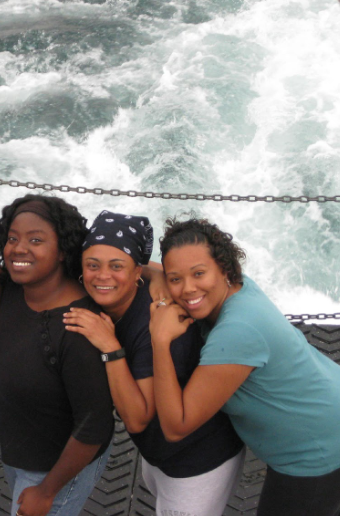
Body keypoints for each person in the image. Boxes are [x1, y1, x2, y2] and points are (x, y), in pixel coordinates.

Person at [150, 216, 340, 516]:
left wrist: (159, 340)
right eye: (175, 279)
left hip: (317, 448)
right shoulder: (239, 286)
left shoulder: (238, 331)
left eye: (199, 273)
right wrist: (148, 271)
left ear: (224, 268)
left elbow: (176, 425)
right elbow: (173, 271)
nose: (187, 289)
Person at [62, 211, 244, 516]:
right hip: (157, 454)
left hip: (196, 461)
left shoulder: (158, 325)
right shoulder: (112, 292)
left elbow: (137, 418)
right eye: (92, 265)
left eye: (116, 266)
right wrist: (153, 272)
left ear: (136, 272)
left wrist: (110, 346)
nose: (102, 276)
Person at [0, 194, 115, 516]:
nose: (19, 249)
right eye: (12, 238)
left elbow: (94, 424)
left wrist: (46, 491)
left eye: (36, 240)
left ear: (63, 251)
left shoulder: (77, 327)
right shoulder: (14, 288)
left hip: (57, 471)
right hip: (19, 457)